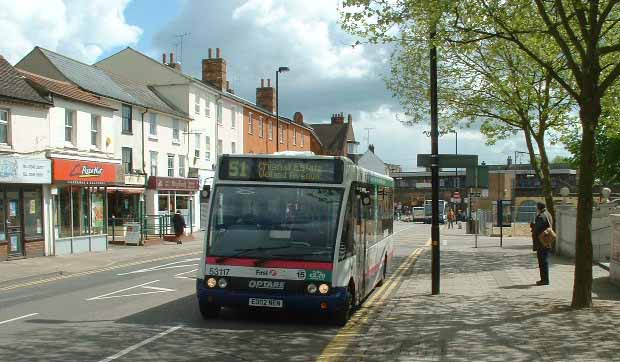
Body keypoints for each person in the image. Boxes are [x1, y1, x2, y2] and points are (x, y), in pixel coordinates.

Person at [532, 202, 553, 285]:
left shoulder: (541, 216)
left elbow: (537, 229)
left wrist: (533, 226)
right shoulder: (548, 214)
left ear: (539, 208)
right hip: (547, 240)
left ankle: (544, 280)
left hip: (541, 242)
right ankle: (545, 279)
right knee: (544, 260)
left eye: (536, 207)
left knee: (542, 261)